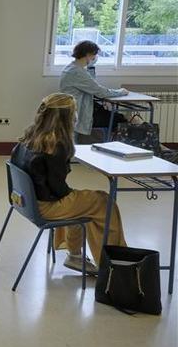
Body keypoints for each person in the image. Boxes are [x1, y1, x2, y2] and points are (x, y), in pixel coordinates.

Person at [10, 92, 127, 273]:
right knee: (104, 202)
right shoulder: (57, 144)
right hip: (46, 206)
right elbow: (60, 191)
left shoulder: (30, 137)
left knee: (85, 201)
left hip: (25, 202)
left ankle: (75, 256)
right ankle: (114, 267)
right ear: (67, 117)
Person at [59, 40, 128, 143]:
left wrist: (90, 67)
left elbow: (92, 85)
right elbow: (99, 91)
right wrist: (121, 92)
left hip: (75, 110)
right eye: (94, 55)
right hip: (78, 112)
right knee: (120, 120)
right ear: (88, 54)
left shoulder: (73, 68)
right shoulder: (77, 72)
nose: (95, 58)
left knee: (116, 117)